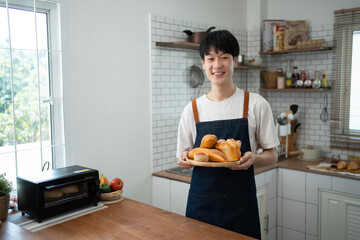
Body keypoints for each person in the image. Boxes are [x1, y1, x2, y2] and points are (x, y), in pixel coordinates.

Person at [176, 30, 279, 239]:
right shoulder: (192, 109)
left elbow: (272, 155)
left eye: (224, 57)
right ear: (203, 64)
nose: (217, 65)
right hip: (201, 204)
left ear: (235, 61)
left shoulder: (256, 104)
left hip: (241, 205)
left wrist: (255, 158)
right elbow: (184, 155)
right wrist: (184, 159)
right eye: (211, 58)